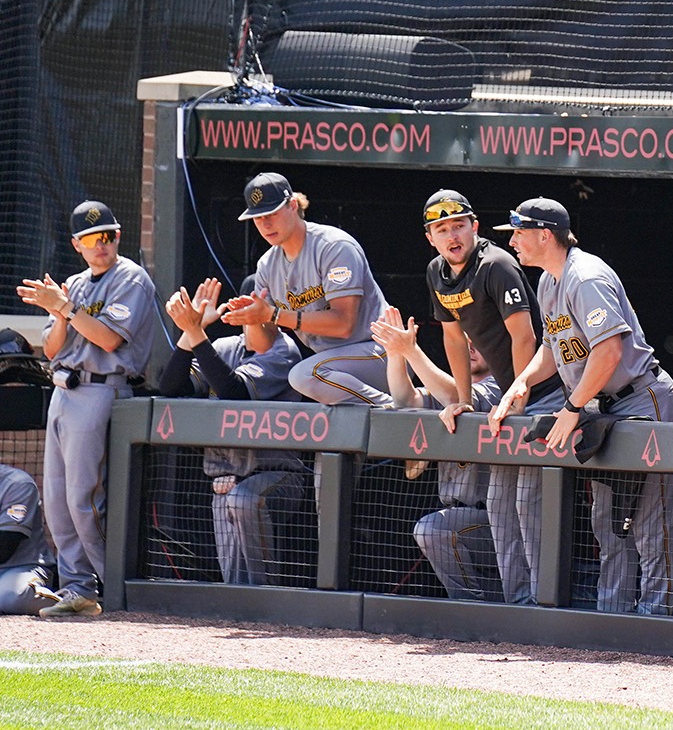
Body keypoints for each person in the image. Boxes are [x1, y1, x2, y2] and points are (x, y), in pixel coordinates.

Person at [494, 197, 673, 616]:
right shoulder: (548, 280)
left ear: (545, 235)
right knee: (609, 525)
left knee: (651, 527)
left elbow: (609, 352)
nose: (514, 243)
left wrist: (572, 408)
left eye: (519, 233)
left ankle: (655, 625)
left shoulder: (585, 277)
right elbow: (551, 346)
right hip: (602, 407)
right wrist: (521, 382)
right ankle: (611, 622)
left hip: (641, 397)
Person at [15, 201, 158, 617]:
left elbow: (109, 340)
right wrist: (58, 310)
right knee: (57, 500)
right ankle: (77, 587)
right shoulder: (74, 284)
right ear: (78, 244)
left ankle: (111, 585)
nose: (103, 245)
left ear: (118, 237)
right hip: (64, 389)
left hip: (103, 388)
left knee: (85, 498)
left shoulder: (130, 276)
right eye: (93, 239)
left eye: (108, 235)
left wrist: (65, 307)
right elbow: (54, 347)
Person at [420, 189, 557, 606]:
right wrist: (463, 398)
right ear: (431, 237)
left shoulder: (497, 264)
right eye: (441, 229)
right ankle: (515, 602)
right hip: (506, 394)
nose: (452, 235)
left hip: (546, 391)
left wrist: (518, 395)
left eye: (458, 225)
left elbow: (525, 336)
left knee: (527, 501)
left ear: (474, 227)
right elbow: (452, 338)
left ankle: (542, 602)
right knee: (499, 502)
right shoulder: (436, 273)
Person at [155, 277, 307, 587]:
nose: (250, 309)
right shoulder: (226, 348)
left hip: (278, 476)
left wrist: (196, 332)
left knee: (242, 499)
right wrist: (189, 331)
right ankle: (242, 610)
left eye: (259, 303)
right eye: (246, 301)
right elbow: (171, 386)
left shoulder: (285, 352)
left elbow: (235, 392)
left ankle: (266, 603)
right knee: (233, 571)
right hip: (225, 478)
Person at [223, 173, 392, 407]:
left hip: (382, 352)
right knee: (313, 380)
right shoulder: (266, 265)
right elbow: (261, 346)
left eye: (271, 213)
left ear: (292, 205)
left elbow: (344, 324)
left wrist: (273, 315)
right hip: (333, 369)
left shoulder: (333, 246)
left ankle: (393, 410)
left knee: (303, 375)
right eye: (258, 217)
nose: (265, 223)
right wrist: (253, 318)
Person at [374, 309, 502, 603]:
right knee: (437, 529)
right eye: (464, 340)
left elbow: (457, 396)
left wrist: (412, 349)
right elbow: (407, 401)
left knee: (433, 529)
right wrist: (396, 354)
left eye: (478, 340)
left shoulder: (505, 385)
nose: (469, 347)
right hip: (461, 514)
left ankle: (470, 609)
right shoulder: (446, 386)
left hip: (502, 523)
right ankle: (477, 608)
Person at [0, 464, 55, 614]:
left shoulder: (16, 483)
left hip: (20, 568)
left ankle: (67, 604)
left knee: (12, 597)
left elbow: (5, 546)